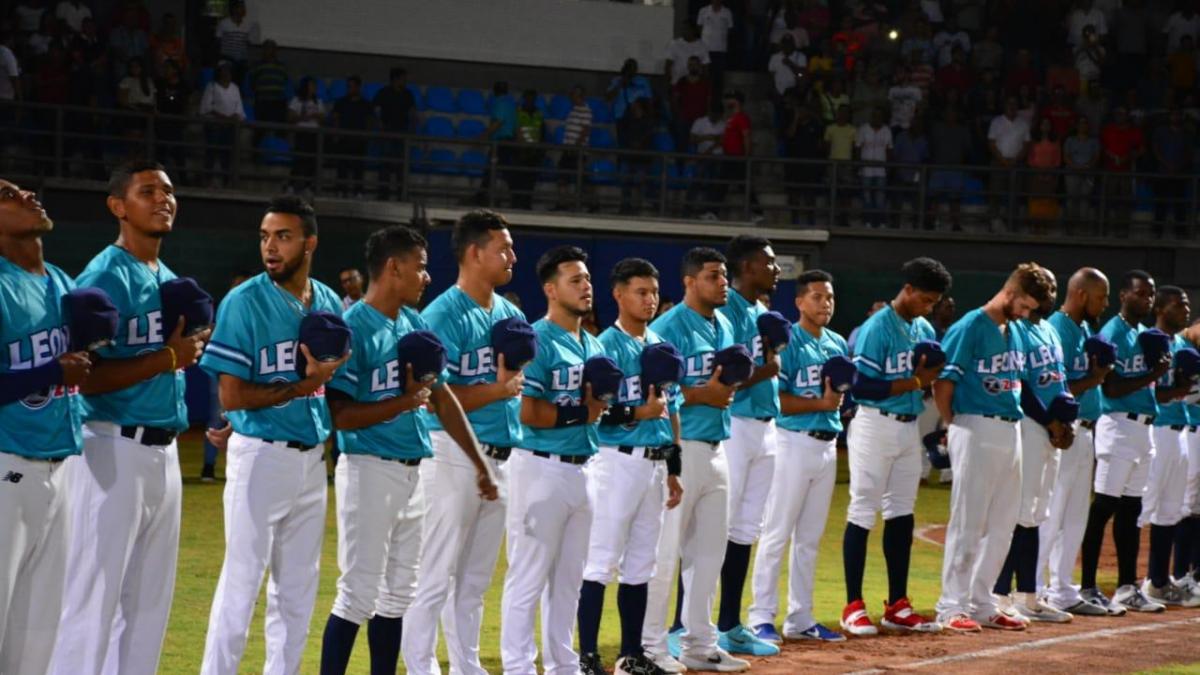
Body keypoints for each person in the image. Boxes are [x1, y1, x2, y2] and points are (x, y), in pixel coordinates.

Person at [318, 226, 499, 675]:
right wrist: (402, 402)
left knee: (399, 594)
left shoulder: (414, 325)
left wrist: (478, 462)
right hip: (368, 468)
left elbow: (442, 398)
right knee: (357, 593)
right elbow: (340, 415)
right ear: (393, 267)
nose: (426, 276)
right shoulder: (354, 327)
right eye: (419, 267)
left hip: (414, 470)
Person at [50, 161, 207, 675]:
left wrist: (177, 355)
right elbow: (82, 377)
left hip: (163, 452)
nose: (164, 198)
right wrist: (167, 358)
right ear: (118, 206)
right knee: (91, 601)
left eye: (168, 190)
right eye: (148, 191)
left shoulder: (166, 278)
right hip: (109, 446)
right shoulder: (104, 276)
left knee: (147, 606)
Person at [198, 195, 348, 674]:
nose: (270, 247)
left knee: (298, 591)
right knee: (241, 584)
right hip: (261, 456)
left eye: (283, 236)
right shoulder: (244, 302)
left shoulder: (327, 301)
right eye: (265, 237)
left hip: (311, 459)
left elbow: (327, 386)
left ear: (310, 243)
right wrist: (302, 386)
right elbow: (232, 395)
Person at [401, 210, 525, 675]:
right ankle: (420, 668)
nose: (512, 256)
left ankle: (466, 666)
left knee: (473, 581)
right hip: (451, 454)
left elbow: (513, 393)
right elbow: (436, 399)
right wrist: (497, 390)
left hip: (501, 456)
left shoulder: (511, 315)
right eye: (503, 248)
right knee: (435, 574)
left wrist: (503, 393)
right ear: (474, 253)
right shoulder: (441, 315)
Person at [500, 245, 608, 675]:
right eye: (575, 280)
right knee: (527, 578)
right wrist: (584, 412)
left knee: (569, 583)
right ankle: (518, 668)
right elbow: (527, 412)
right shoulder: (536, 340)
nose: (586, 287)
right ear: (550, 289)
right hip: (539, 467)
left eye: (587, 279)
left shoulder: (593, 344)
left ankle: (564, 666)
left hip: (584, 468)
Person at [0, 179, 92, 675]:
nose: (26, 196)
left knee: (39, 632)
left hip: (60, 468)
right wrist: (51, 372)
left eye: (22, 190)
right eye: (6, 195)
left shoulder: (60, 280)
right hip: (6, 464)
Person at [576, 258, 684, 675]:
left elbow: (671, 410)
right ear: (618, 294)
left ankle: (631, 656)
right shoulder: (604, 346)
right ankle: (587, 657)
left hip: (654, 465)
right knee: (600, 561)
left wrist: (673, 468)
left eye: (654, 292)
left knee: (641, 564)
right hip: (614, 462)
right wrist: (639, 412)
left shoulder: (658, 344)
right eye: (641, 292)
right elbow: (593, 412)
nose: (650, 299)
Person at [934, 263, 1055, 632]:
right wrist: (954, 426)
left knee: (1003, 524)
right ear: (1011, 292)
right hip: (975, 424)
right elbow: (943, 383)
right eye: (1025, 305)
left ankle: (982, 602)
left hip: (1011, 427)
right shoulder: (971, 325)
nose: (1027, 313)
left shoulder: (1014, 329)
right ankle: (951, 606)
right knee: (968, 523)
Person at [644, 247, 747, 673]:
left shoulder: (724, 323)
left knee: (709, 555)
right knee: (664, 554)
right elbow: (655, 392)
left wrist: (721, 391)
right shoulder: (668, 327)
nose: (723, 283)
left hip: (719, 447)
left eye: (724, 276)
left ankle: (700, 644)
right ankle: (650, 647)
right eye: (713, 276)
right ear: (689, 281)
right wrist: (705, 394)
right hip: (682, 449)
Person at [840, 257, 951, 636]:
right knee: (863, 510)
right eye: (926, 299)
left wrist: (927, 381)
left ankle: (897, 605)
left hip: (907, 426)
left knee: (902, 512)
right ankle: (853, 606)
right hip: (875, 423)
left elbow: (926, 379)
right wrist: (916, 382)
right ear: (908, 290)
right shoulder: (877, 327)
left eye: (934, 302)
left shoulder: (922, 327)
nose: (930, 307)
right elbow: (861, 386)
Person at [747, 269, 848, 643]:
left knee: (809, 537)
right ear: (799, 302)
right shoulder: (786, 342)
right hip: (792, 442)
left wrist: (830, 404)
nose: (825, 303)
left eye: (830, 297)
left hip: (827, 445)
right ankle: (760, 616)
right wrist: (821, 403)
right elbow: (779, 400)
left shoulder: (837, 343)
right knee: (777, 532)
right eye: (817, 297)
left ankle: (800, 617)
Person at [1078, 270, 1171, 614]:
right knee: (1103, 507)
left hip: (1143, 429)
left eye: (1151, 294)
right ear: (1123, 295)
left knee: (1131, 511)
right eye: (1140, 293)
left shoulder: (1143, 334)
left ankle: (1127, 586)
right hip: (1117, 425)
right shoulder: (1112, 333)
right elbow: (1112, 388)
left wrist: (1159, 373)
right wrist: (1153, 374)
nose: (1147, 299)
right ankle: (1087, 586)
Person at [711, 236, 783, 657]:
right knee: (716, 528)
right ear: (747, 267)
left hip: (766, 427)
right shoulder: (727, 311)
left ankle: (730, 624)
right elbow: (725, 378)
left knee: (745, 530)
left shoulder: (762, 313)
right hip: (735, 425)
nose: (776, 269)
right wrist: (768, 368)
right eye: (768, 262)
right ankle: (690, 626)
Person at [990, 269, 1074, 624]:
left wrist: (1065, 424)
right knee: (1019, 511)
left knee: (1037, 513)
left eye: (1054, 287)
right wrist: (1051, 422)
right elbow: (1021, 384)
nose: (1050, 293)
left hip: (1050, 430)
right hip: (1029, 425)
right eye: (1045, 287)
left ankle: (1028, 595)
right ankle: (999, 594)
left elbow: (1059, 381)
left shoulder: (1049, 329)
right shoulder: (1018, 329)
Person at [1040, 268, 1112, 616]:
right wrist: (1094, 379)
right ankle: (1034, 589)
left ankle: (1063, 590)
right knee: (1052, 514)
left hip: (1086, 431)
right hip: (1064, 432)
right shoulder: (1058, 328)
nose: (1105, 303)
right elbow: (1055, 385)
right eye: (1101, 296)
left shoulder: (1084, 329)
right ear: (1081, 294)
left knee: (1075, 517)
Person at [1137, 286, 1200, 607]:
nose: (1186, 310)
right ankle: (1128, 584)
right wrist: (1177, 388)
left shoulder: (1180, 346)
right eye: (1179, 305)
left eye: (1187, 305)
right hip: (1157, 430)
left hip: (1180, 430)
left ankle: (1159, 582)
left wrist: (1183, 387)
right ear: (1160, 308)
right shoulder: (1148, 340)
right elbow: (1149, 391)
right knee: (1142, 507)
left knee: (1171, 511)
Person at [198, 61, 245, 188]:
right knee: (211, 153)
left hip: (229, 128)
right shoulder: (212, 87)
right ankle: (207, 181)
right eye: (223, 70)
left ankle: (226, 182)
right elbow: (206, 108)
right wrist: (221, 117)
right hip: (214, 127)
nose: (226, 73)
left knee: (227, 156)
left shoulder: (235, 88)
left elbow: (239, 110)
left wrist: (233, 117)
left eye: (228, 70)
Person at [987, 96, 1031, 230]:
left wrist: (1015, 160)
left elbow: (1026, 145)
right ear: (1005, 106)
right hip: (999, 162)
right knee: (995, 193)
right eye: (1009, 104)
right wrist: (1002, 160)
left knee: (1015, 195)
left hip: (1016, 164)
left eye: (1014, 104)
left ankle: (1012, 224)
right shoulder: (996, 122)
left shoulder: (1023, 123)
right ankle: (993, 223)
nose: (1012, 106)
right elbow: (991, 143)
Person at [374, 67, 418, 201]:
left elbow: (412, 111)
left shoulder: (407, 94)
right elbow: (376, 109)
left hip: (402, 133)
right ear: (396, 79)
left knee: (401, 165)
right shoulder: (384, 92)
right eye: (403, 78)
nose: (405, 81)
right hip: (387, 132)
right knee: (385, 164)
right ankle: (383, 194)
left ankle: (401, 194)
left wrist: (412, 128)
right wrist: (380, 124)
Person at [331, 75, 373, 199]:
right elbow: (335, 118)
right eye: (349, 86)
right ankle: (340, 190)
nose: (350, 89)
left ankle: (358, 191)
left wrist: (366, 135)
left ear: (358, 87)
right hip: (344, 139)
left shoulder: (366, 104)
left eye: (353, 86)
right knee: (342, 166)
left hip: (359, 140)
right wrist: (336, 133)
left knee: (358, 167)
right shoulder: (341, 102)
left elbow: (370, 120)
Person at [287, 76, 325, 195]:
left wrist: (315, 116)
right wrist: (304, 117)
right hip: (301, 133)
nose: (313, 88)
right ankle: (291, 185)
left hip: (313, 135)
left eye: (314, 86)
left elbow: (322, 117)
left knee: (311, 161)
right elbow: (290, 116)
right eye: (311, 85)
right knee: (299, 160)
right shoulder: (297, 100)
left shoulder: (318, 101)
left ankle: (308, 186)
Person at [855, 107, 893, 228]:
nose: (877, 118)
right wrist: (859, 165)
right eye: (875, 116)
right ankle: (868, 221)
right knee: (866, 197)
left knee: (880, 198)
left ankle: (880, 222)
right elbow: (857, 147)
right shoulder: (863, 129)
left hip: (881, 171)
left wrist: (888, 167)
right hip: (866, 170)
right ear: (872, 117)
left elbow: (889, 149)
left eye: (879, 116)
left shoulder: (887, 130)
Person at [556, 85, 592, 209]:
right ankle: (562, 203)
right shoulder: (573, 110)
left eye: (574, 95)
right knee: (562, 177)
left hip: (578, 151)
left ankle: (593, 203)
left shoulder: (586, 111)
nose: (571, 97)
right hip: (568, 149)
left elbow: (585, 131)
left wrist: (576, 146)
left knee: (583, 180)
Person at [1063, 117, 1099, 232]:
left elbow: (1096, 157)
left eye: (1085, 123)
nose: (1083, 126)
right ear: (1077, 126)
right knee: (1071, 198)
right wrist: (1075, 167)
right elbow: (1066, 156)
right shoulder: (1070, 140)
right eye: (1080, 123)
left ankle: (1083, 227)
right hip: (1072, 173)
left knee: (1085, 199)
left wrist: (1087, 166)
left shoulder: (1094, 141)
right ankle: (1070, 227)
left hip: (1088, 174)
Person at [511, 89, 545, 211]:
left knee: (530, 180)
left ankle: (526, 203)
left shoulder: (538, 113)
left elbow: (540, 132)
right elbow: (517, 130)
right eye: (528, 98)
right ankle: (517, 203)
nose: (530, 100)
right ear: (525, 99)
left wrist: (537, 149)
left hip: (534, 151)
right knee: (518, 178)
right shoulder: (519, 112)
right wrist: (521, 146)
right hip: (521, 150)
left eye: (533, 98)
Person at [697, 0, 734, 103]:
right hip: (705, 49)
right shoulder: (703, 11)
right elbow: (699, 27)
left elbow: (730, 29)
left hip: (720, 50)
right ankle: (703, 97)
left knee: (718, 77)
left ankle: (717, 100)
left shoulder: (727, 12)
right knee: (705, 75)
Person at [214, 0, 259, 84]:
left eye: (244, 7)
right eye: (241, 7)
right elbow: (217, 42)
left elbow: (249, 44)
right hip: (227, 60)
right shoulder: (224, 23)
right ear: (234, 9)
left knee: (238, 84)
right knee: (226, 83)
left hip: (242, 61)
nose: (244, 9)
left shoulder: (248, 25)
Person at [248, 39, 288, 128]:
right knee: (260, 128)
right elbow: (252, 82)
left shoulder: (282, 66)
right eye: (267, 48)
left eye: (272, 48)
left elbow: (285, 81)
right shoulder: (257, 65)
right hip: (262, 101)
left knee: (280, 127)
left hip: (278, 101)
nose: (270, 51)